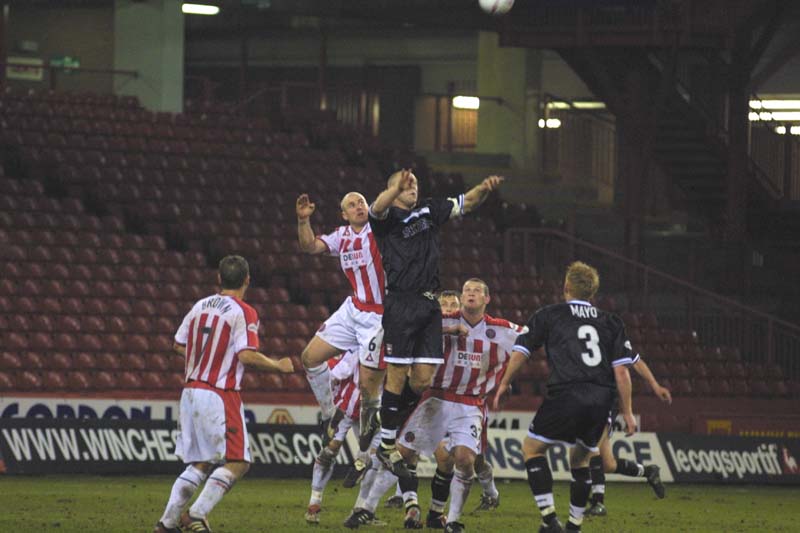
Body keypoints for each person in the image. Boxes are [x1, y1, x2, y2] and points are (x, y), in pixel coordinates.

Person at [368, 169, 503, 479]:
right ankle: (387, 443)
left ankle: (385, 418)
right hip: (401, 300)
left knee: (423, 379)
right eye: (406, 184)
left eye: (415, 182)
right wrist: (394, 188)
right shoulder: (385, 219)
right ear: (394, 189)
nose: (413, 186)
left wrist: (483, 186)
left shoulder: (429, 208)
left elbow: (466, 202)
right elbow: (376, 206)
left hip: (430, 303)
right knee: (398, 372)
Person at [493, 261, 639, 533]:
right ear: (592, 292)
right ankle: (574, 525)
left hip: (567, 392)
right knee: (581, 459)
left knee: (532, 450)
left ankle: (549, 520)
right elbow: (622, 372)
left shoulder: (550, 314)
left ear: (566, 287)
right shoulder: (612, 322)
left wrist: (504, 383)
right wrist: (628, 411)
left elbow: (521, 352)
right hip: (602, 399)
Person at [154, 255, 294, 533]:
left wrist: (206, 358)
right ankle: (197, 514)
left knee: (200, 462)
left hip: (191, 390)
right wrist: (277, 366)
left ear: (218, 279)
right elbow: (246, 355)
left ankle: (167, 523)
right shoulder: (243, 311)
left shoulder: (199, 306)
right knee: (239, 461)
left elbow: (178, 345)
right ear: (247, 280)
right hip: (219, 392)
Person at [396, 279, 526, 532]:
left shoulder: (500, 330)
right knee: (402, 454)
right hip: (431, 397)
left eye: (477, 291)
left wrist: (505, 380)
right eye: (467, 289)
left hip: (470, 403)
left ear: (487, 299)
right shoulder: (436, 323)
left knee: (464, 460)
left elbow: (530, 341)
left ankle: (449, 516)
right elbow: (405, 328)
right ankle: (382, 505)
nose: (471, 294)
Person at [296, 192, 386, 456]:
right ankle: (329, 413)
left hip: (380, 316)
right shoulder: (342, 235)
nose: (359, 207)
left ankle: (373, 427)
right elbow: (310, 247)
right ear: (344, 214)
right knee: (309, 357)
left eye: (362, 202)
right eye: (352, 205)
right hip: (353, 308)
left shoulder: (379, 229)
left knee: (370, 388)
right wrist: (303, 221)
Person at [305, 349, 388, 526]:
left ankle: (359, 510)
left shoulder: (378, 348)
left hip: (361, 406)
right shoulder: (363, 348)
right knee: (333, 451)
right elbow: (337, 373)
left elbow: (335, 374)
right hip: (352, 407)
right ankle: (314, 503)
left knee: (370, 457)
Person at [585, 357, 670, 516]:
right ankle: (649, 471)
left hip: (605, 400)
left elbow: (635, 363)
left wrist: (655, 385)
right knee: (608, 464)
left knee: (592, 447)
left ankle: (598, 502)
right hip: (589, 399)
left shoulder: (611, 336)